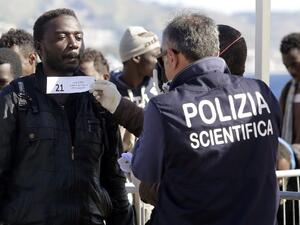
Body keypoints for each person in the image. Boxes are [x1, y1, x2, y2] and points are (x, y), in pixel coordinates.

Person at [131, 12, 280, 225]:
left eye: (163, 56)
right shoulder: (262, 93)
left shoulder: (166, 107)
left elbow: (145, 171)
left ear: (172, 56)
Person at [0, 8, 134, 225]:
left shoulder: (99, 97)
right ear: (39, 47)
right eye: (62, 37)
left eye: (78, 36)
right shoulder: (16, 97)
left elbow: (114, 177)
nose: (73, 43)